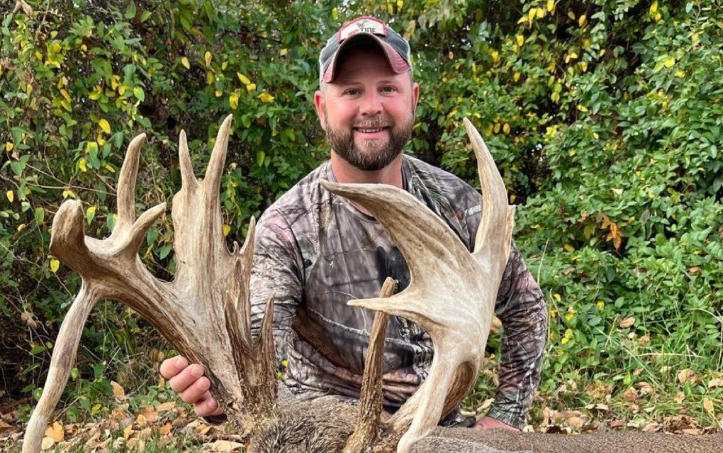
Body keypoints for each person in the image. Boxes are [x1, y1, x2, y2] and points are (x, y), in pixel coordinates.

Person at [161, 16, 547, 430]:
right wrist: (220, 391)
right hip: (327, 444)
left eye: (387, 89)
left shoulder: (457, 205)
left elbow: (525, 307)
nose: (371, 107)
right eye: (351, 91)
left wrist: (506, 416)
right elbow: (257, 342)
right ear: (321, 108)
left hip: (435, 434)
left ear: (412, 99)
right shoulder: (289, 227)